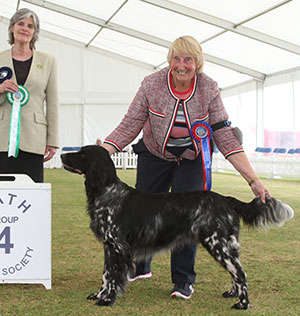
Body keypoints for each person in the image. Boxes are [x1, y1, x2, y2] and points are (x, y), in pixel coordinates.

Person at [102, 36, 270, 300]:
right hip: (155, 154)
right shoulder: (151, 84)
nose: (182, 65)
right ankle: (139, 266)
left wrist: (253, 181)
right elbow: (130, 123)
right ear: (170, 60)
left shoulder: (209, 89)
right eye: (177, 58)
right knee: (139, 211)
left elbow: (224, 136)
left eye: (188, 59)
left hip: (192, 158)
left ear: (198, 63)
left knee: (189, 218)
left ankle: (183, 280)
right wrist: (104, 152)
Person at [0, 8, 59, 183]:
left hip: (34, 139)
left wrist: (53, 140)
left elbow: (53, 103)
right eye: (20, 24)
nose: (25, 28)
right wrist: (1, 89)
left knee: (32, 192)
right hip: (2, 139)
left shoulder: (48, 62)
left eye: (30, 26)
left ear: (35, 32)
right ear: (12, 28)